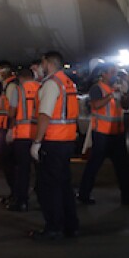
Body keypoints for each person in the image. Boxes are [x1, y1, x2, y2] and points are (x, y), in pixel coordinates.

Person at [77, 62, 129, 206]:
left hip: (117, 133)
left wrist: (125, 96)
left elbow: (125, 106)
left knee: (124, 167)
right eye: (112, 72)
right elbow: (95, 105)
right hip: (102, 133)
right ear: (103, 74)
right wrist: (111, 95)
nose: (115, 75)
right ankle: (83, 194)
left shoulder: (117, 88)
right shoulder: (97, 88)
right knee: (94, 166)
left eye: (115, 72)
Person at [28, 51, 79, 241]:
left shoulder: (51, 85)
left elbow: (45, 115)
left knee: (48, 188)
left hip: (52, 141)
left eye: (41, 63)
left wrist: (37, 142)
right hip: (66, 141)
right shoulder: (68, 83)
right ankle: (70, 225)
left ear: (48, 63)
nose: (39, 68)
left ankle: (54, 227)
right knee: (64, 185)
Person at [6, 67, 40, 212]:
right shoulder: (42, 88)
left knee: (23, 171)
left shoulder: (18, 90)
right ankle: (43, 199)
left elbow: (12, 112)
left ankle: (22, 201)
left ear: (20, 78)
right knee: (41, 170)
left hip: (22, 136)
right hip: (39, 134)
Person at [0, 61, 19, 206]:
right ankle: (14, 194)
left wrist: (10, 129)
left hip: (9, 128)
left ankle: (17, 195)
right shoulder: (7, 86)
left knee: (9, 164)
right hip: (5, 127)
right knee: (8, 164)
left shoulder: (11, 86)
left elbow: (13, 111)